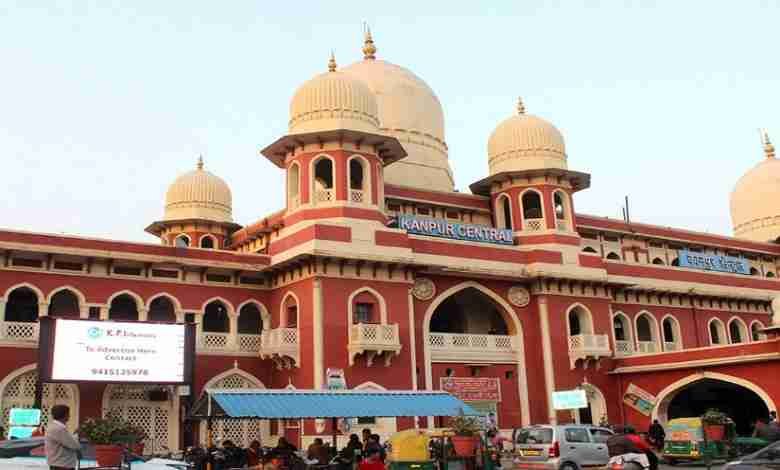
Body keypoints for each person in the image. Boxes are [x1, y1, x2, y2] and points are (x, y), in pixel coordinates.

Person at [45, 404, 81, 470]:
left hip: (59, 464)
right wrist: (77, 434)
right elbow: (74, 445)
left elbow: (67, 441)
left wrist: (75, 434)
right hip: (62, 465)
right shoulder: (59, 429)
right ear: (65, 415)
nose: (69, 416)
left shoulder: (55, 427)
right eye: (68, 414)